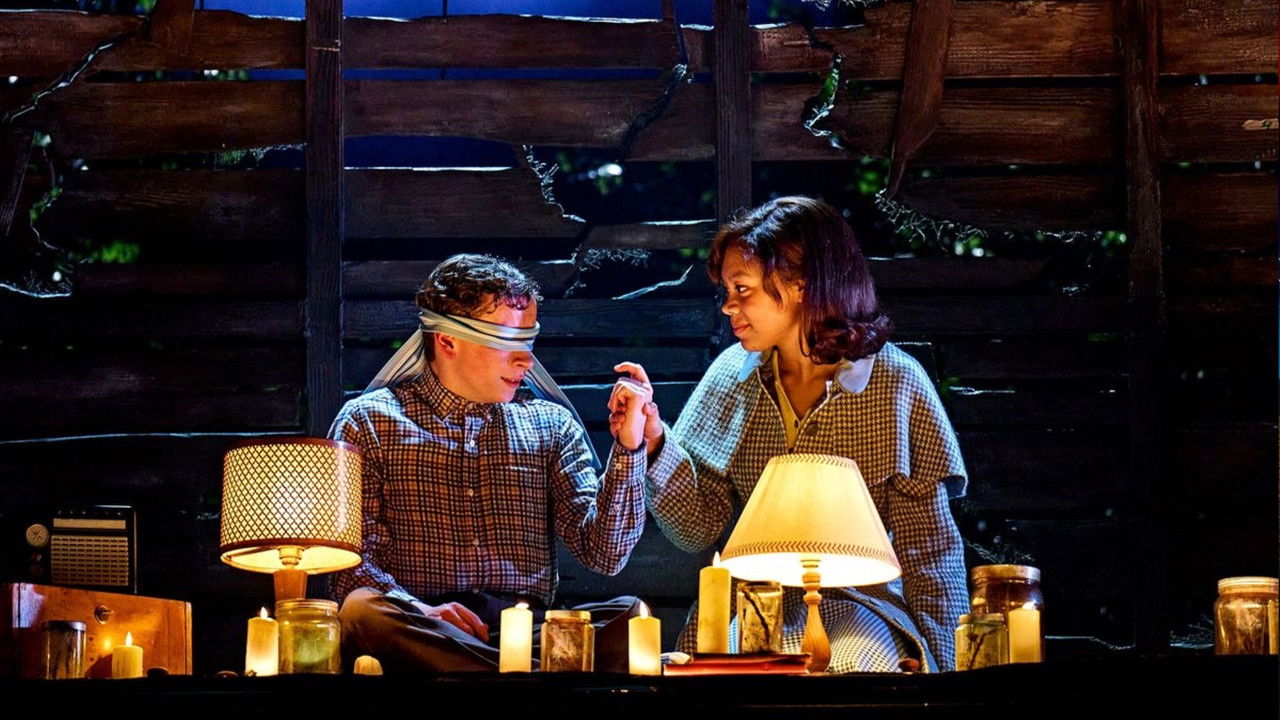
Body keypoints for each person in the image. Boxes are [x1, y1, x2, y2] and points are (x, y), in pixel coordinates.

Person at [609, 196, 968, 673]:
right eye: (727, 290)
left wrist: (950, 671)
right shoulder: (731, 378)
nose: (728, 306)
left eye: (742, 289)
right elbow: (696, 528)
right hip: (751, 608)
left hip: (861, 607)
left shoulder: (895, 383)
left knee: (857, 670)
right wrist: (654, 439)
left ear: (800, 284)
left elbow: (929, 553)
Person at [330, 253, 654, 674]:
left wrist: (629, 445)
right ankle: (528, 680)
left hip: (528, 630)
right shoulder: (369, 422)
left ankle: (496, 674)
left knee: (631, 616)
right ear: (447, 340)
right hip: (426, 629)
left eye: (528, 340)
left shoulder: (551, 424)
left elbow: (605, 554)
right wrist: (422, 612)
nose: (525, 361)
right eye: (506, 340)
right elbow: (352, 565)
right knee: (362, 610)